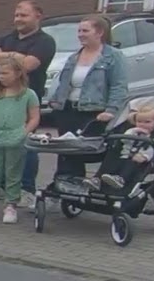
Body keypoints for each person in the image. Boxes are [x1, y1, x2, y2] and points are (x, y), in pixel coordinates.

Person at [0, 1, 56, 207]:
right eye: (16, 15)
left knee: (24, 143)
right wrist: (14, 55)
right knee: (1, 142)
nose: (18, 19)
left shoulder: (45, 41)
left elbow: (29, 65)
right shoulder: (7, 38)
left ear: (38, 16)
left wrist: (1, 56)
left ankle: (27, 189)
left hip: (25, 100)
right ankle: (1, 187)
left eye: (24, 15)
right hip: (0, 98)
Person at [45, 16, 127, 180]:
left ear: (99, 33)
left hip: (93, 112)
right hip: (67, 110)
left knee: (89, 150)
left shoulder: (113, 56)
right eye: (79, 31)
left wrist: (111, 110)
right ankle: (66, 183)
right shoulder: (74, 57)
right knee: (67, 150)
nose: (80, 34)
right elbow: (63, 82)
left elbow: (119, 86)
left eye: (85, 31)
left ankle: (101, 181)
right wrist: (55, 101)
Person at [0, 57, 40, 223]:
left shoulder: (28, 94)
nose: (1, 77)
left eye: (6, 73)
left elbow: (34, 117)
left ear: (18, 73)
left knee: (13, 171)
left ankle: (10, 205)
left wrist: (24, 132)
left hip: (16, 135)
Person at [81, 105, 154, 193]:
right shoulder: (133, 131)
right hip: (126, 154)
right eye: (139, 121)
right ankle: (97, 179)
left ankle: (121, 179)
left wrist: (144, 156)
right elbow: (124, 140)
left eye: (147, 122)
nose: (142, 124)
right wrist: (134, 131)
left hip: (141, 160)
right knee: (111, 157)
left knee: (132, 162)